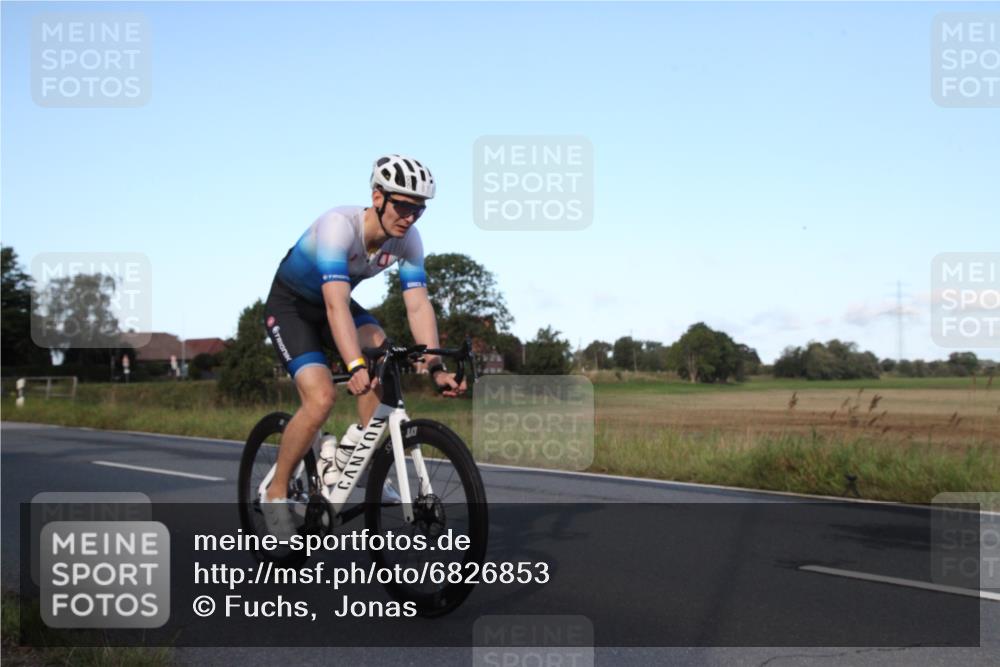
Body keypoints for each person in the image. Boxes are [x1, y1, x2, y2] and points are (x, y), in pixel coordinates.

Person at [261, 154, 466, 537]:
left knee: (385, 358)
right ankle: (275, 495)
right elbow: (335, 304)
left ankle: (350, 453)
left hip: (334, 304)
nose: (409, 217)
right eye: (402, 205)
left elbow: (418, 303)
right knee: (321, 398)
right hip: (292, 306)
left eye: (418, 210)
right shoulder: (339, 227)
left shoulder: (408, 241)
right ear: (377, 197)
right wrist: (354, 364)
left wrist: (436, 366)